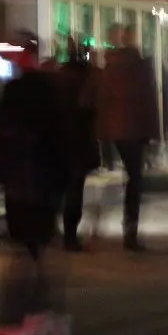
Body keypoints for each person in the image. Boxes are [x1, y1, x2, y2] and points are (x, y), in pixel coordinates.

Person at [0, 38, 71, 335]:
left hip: (19, 190)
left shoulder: (10, 98)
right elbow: (64, 147)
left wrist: (6, 177)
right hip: (44, 189)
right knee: (41, 258)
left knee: (23, 259)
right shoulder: (52, 98)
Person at [97, 24, 159, 251]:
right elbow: (148, 102)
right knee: (135, 178)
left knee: (132, 176)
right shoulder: (140, 67)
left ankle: (128, 226)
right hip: (135, 130)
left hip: (117, 130)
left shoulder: (110, 67)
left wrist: (103, 132)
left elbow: (103, 100)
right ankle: (130, 228)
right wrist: (153, 131)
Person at [55, 41, 100, 252]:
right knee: (75, 188)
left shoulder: (60, 76)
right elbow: (91, 106)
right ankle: (70, 235)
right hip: (79, 137)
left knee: (64, 186)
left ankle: (62, 231)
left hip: (61, 138)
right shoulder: (86, 78)